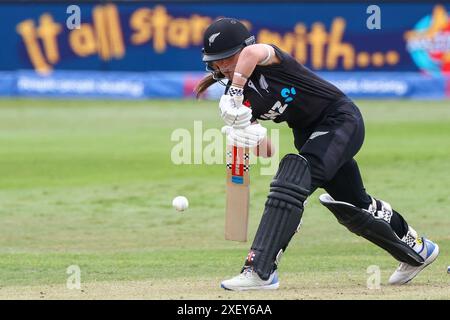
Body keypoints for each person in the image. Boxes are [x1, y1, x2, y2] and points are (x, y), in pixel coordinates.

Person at [194, 18, 439, 291]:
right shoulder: (233, 99)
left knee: (291, 181)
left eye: (228, 58)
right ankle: (417, 248)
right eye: (217, 62)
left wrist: (237, 88)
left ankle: (260, 270)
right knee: (356, 203)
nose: (223, 67)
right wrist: (247, 133)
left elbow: (253, 54)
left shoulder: (267, 59)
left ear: (243, 49)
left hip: (340, 120)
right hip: (309, 135)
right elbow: (267, 152)